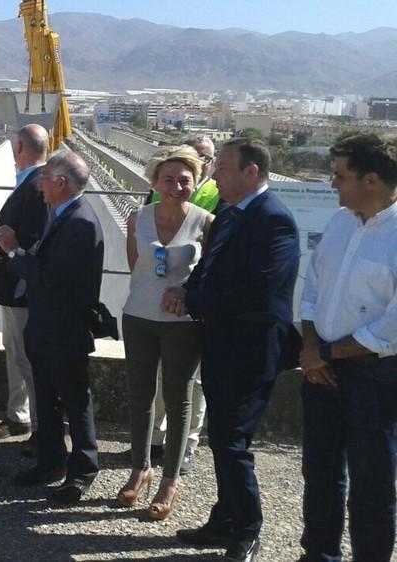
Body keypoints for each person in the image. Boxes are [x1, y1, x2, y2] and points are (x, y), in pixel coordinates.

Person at [168, 138, 299, 562]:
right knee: (221, 436)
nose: (213, 175)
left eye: (221, 168)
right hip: (221, 341)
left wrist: (194, 301)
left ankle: (246, 529)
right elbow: (209, 266)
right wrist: (187, 290)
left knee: (232, 440)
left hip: (252, 346)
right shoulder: (228, 212)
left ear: (251, 172)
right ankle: (224, 519)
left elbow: (258, 290)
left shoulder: (274, 220)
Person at [297, 133, 397, 562]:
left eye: (340, 175)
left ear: (370, 180)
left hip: (375, 376)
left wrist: (327, 354)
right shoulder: (340, 222)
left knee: (372, 482)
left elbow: (391, 325)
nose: (332, 183)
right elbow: (313, 288)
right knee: (319, 473)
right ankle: (319, 554)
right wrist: (311, 348)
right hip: (320, 366)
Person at [0, 150, 103, 505]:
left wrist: (13, 251)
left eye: (45, 179)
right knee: (47, 399)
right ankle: (50, 462)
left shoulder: (80, 223)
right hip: (44, 327)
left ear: (61, 183)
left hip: (65, 330)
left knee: (74, 401)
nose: (39, 185)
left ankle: (82, 472)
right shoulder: (62, 214)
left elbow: (50, 278)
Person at [118, 146, 211, 520]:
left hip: (182, 324)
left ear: (196, 182)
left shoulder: (206, 222)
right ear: (155, 182)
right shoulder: (137, 218)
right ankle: (140, 468)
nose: (176, 187)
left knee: (178, 399)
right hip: (138, 317)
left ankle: (170, 479)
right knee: (139, 396)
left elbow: (209, 273)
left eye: (184, 180)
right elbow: (135, 265)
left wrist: (186, 292)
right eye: (168, 180)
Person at [149, 134, 220, 474]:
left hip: (194, 301)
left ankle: (187, 447)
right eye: (195, 154)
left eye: (206, 157)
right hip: (158, 298)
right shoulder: (159, 190)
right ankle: (156, 438)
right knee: (162, 375)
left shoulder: (217, 195)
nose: (201, 161)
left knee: (195, 382)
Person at [0, 124, 49, 455]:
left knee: (26, 358)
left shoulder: (36, 187)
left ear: (20, 148)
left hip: (21, 287)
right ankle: (19, 416)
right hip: (17, 285)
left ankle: (41, 428)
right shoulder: (35, 183)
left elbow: (32, 241)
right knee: (16, 353)